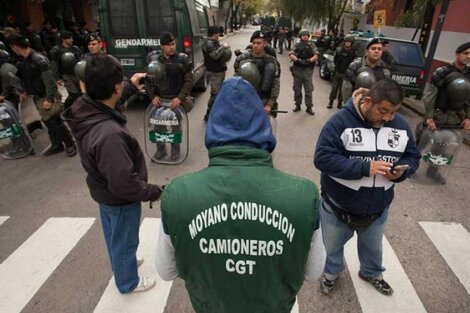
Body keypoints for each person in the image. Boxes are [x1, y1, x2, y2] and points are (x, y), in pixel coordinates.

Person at [155, 76, 325, 313]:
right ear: (264, 126)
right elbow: (314, 271)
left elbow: (166, 271)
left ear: (212, 127)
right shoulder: (304, 195)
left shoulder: (178, 193)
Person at [63, 54, 162, 293]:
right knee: (125, 240)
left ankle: (122, 262)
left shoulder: (85, 107)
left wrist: (128, 87)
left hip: (103, 192)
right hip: (120, 200)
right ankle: (128, 281)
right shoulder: (109, 135)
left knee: (114, 237)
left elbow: (107, 105)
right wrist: (153, 192)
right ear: (115, 87)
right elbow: (124, 184)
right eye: (121, 82)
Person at [314, 79, 421, 296]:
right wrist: (364, 167)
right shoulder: (340, 121)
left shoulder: (399, 125)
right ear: (368, 101)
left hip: (378, 208)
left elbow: (412, 156)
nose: (388, 118)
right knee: (331, 248)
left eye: (393, 112)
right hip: (337, 206)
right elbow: (323, 158)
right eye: (383, 111)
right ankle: (331, 273)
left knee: (373, 248)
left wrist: (403, 171)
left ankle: (371, 273)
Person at [9, 34, 77, 157]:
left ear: (15, 47)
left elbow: (49, 81)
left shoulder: (37, 59)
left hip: (46, 96)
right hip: (38, 96)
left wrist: (49, 99)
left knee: (55, 121)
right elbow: (27, 79)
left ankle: (70, 144)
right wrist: (24, 92)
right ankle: (57, 145)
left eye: (12, 47)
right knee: (49, 122)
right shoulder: (25, 60)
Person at [417, 42, 470, 184]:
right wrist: (429, 117)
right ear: (457, 54)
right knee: (421, 142)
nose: (468, 56)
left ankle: (432, 171)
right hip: (437, 114)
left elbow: (468, 98)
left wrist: (468, 118)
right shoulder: (443, 72)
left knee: (442, 147)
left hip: (454, 118)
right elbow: (430, 95)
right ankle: (410, 166)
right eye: (465, 53)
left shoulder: (469, 74)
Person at [147, 32, 194, 161]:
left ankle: (175, 150)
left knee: (175, 127)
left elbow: (189, 80)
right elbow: (149, 80)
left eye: (173, 44)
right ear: (162, 46)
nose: (172, 47)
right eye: (168, 45)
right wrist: (153, 96)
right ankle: (160, 151)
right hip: (160, 100)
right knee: (159, 126)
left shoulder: (182, 59)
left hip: (175, 100)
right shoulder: (155, 60)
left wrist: (180, 98)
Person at [234, 30, 280, 116]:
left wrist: (269, 104)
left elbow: (275, 85)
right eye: (254, 43)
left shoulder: (271, 62)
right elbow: (236, 80)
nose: (255, 46)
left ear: (265, 44)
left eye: (259, 43)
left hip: (263, 100)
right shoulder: (242, 59)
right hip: (245, 100)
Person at [342, 37, 390, 103]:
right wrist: (349, 106)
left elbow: (384, 93)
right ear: (367, 51)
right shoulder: (355, 66)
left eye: (379, 49)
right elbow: (346, 88)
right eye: (373, 48)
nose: (376, 51)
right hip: (355, 104)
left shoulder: (385, 72)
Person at [202, 25, 231, 122]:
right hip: (215, 72)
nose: (219, 35)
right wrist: (223, 47)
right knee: (215, 95)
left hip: (218, 71)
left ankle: (214, 115)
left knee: (217, 94)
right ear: (214, 34)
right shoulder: (209, 43)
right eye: (218, 33)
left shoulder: (212, 42)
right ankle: (209, 116)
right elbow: (215, 56)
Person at [289, 29, 318, 115]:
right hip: (297, 70)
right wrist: (297, 60)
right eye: (303, 35)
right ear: (300, 36)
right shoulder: (297, 45)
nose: (305, 37)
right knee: (297, 89)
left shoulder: (312, 45)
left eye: (306, 35)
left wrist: (309, 61)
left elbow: (316, 55)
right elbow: (291, 54)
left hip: (307, 70)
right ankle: (297, 104)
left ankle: (309, 107)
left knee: (308, 89)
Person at [49, 31, 82, 109]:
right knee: (73, 93)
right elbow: (54, 65)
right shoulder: (57, 50)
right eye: (69, 38)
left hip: (76, 73)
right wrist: (57, 78)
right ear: (64, 40)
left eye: (71, 38)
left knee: (80, 93)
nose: (71, 40)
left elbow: (80, 60)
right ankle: (66, 107)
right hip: (66, 75)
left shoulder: (75, 48)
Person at [328, 36, 356, 109]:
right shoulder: (339, 50)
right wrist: (334, 68)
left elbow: (354, 64)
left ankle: (339, 103)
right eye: (346, 42)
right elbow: (334, 60)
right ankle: (331, 102)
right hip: (337, 72)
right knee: (334, 89)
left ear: (351, 43)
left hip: (346, 75)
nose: (347, 43)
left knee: (342, 90)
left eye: (349, 42)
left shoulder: (353, 53)